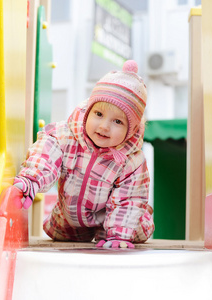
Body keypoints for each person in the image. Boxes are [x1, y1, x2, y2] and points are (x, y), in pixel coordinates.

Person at [13, 60, 154, 248]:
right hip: (69, 220)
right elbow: (45, 155)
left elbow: (128, 199)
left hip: (112, 222)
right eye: (98, 114)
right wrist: (31, 180)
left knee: (130, 226)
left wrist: (119, 236)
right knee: (59, 233)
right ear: (88, 111)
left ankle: (116, 236)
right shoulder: (66, 136)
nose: (104, 126)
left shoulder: (131, 161)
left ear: (131, 129)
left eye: (118, 122)